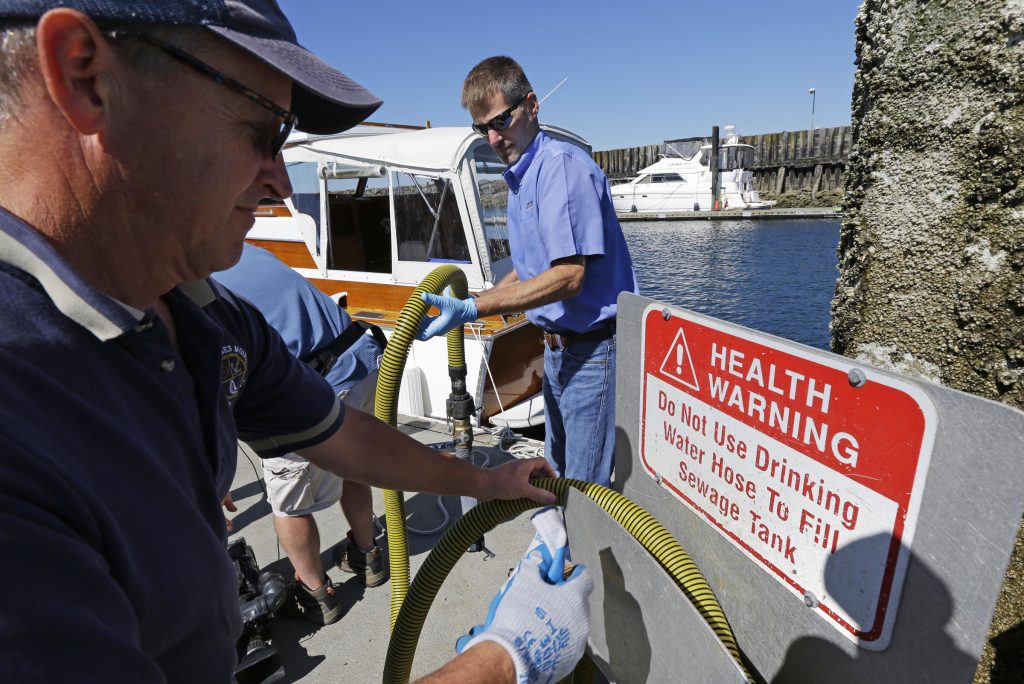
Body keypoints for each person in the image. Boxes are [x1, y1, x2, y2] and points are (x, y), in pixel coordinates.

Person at [0, 4, 590, 683]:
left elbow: (338, 432)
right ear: (85, 78)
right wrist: (502, 662)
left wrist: (485, 481)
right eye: (262, 129)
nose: (282, 180)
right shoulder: (20, 403)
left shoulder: (204, 314)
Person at [419, 56, 639, 488]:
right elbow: (529, 270)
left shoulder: (560, 167)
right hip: (557, 351)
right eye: (482, 129)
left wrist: (474, 308)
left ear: (532, 105)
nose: (494, 138)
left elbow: (568, 277)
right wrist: (475, 302)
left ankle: (581, 554)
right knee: (556, 471)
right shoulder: (523, 176)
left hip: (594, 352)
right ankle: (560, 544)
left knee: (584, 486)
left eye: (502, 120)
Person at [213, 243, 388, 625]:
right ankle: (368, 554)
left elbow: (213, 387)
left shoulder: (196, 291)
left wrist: (214, 470)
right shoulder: (243, 248)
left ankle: (316, 594)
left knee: (290, 504)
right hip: (359, 358)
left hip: (305, 392)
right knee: (354, 464)